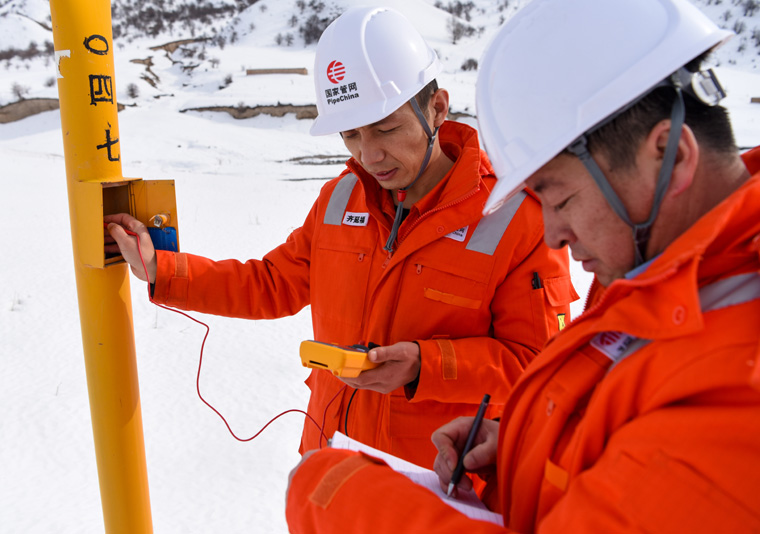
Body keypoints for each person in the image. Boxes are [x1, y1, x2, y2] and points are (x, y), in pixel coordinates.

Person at [285, 0, 760, 531]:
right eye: (352, 135)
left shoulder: (739, 372)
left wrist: (331, 489)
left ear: (670, 151)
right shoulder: (665, 284)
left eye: (560, 197)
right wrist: (527, 447)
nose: (553, 230)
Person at [105, 6, 574, 469]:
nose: (370, 154)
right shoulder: (340, 199)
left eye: (386, 128)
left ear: (437, 108)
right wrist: (162, 269)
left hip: (435, 484)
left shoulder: (517, 219)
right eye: (350, 135)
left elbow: (538, 366)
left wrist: (422, 366)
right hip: (332, 467)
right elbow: (270, 284)